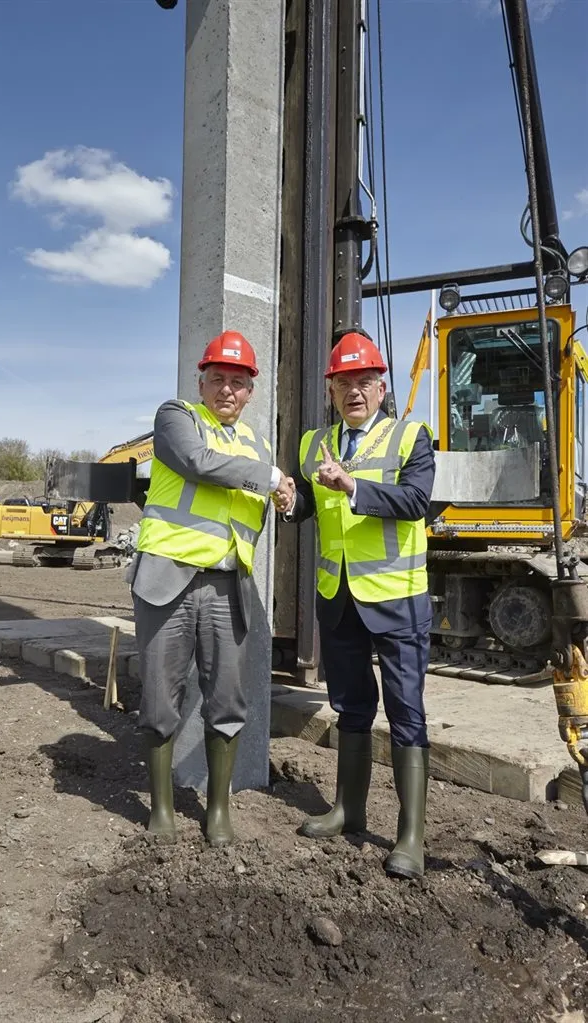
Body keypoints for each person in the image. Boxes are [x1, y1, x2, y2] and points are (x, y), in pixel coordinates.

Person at [276, 330, 435, 879]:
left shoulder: (410, 437)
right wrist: (288, 500)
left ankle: (410, 837)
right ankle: (348, 810)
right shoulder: (312, 443)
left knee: (406, 713)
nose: (355, 392)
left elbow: (416, 502)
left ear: (382, 387)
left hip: (397, 600)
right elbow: (306, 511)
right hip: (338, 598)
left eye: (364, 382)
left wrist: (352, 486)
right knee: (351, 708)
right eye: (345, 383)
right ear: (332, 390)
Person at [130, 330, 292, 847]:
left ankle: (217, 810)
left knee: (227, 700)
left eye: (238, 382)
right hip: (168, 581)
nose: (227, 389)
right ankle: (161, 808)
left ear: (250, 392)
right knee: (160, 699)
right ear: (201, 382)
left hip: (228, 587)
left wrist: (286, 498)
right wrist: (268, 477)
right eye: (218, 378)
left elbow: (261, 508)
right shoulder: (177, 417)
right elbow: (197, 464)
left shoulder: (257, 444)